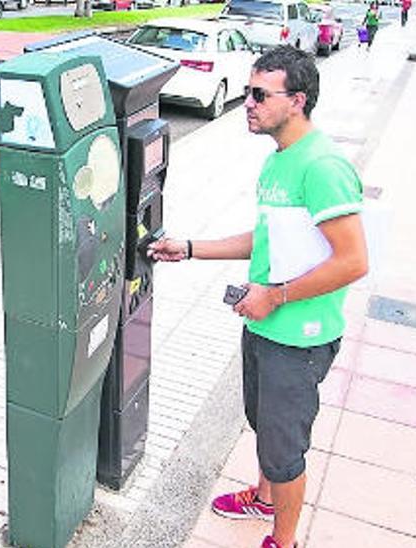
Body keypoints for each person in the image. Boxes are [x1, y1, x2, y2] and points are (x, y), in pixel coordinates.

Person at [147, 46, 368, 548]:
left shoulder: (322, 166)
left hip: (299, 338)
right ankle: (265, 499)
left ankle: (283, 540)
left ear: (297, 101)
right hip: (265, 325)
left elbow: (354, 260)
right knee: (264, 426)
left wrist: (276, 296)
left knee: (285, 448)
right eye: (249, 92)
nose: (247, 103)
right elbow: (264, 239)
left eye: (259, 95)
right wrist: (190, 248)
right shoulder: (280, 162)